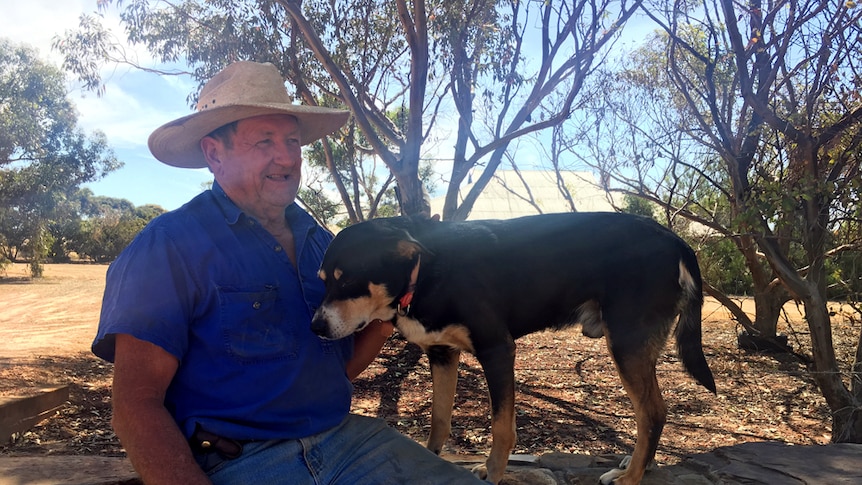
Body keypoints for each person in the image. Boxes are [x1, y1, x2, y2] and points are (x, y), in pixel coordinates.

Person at [92, 61, 483, 484]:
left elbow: (338, 369)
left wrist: (391, 306)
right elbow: (135, 403)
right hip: (241, 462)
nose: (286, 157)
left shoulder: (322, 242)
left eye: (292, 141)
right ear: (213, 153)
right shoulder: (167, 246)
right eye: (264, 141)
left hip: (347, 443)